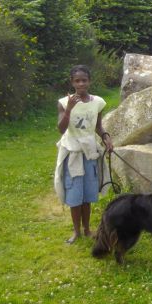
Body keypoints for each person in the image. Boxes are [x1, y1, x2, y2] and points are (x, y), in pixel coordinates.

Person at [54, 65, 113, 244]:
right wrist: (70, 109)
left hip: (89, 153)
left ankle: (87, 229)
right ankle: (76, 231)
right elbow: (61, 129)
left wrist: (106, 138)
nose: (81, 84)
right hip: (72, 153)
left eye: (84, 80)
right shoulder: (64, 103)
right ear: (72, 82)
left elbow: (98, 127)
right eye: (77, 80)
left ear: (89, 81)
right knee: (74, 195)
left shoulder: (98, 102)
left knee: (87, 194)